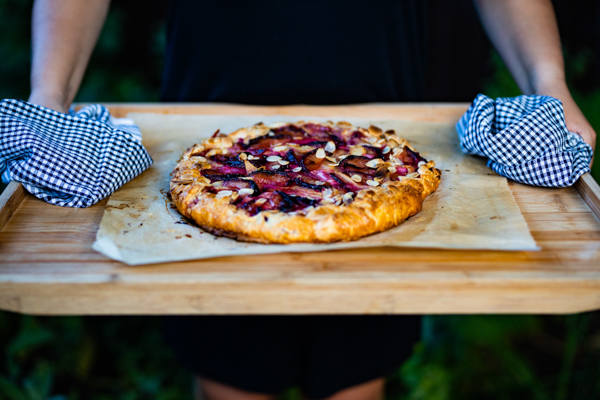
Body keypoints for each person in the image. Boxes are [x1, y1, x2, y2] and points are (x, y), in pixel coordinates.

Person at [27, 1, 596, 399]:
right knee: (229, 376)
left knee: (356, 376)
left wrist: (550, 86)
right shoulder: (203, 170)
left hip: (383, 116)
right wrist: (48, 101)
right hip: (209, 109)